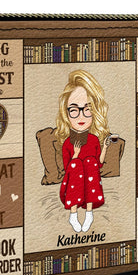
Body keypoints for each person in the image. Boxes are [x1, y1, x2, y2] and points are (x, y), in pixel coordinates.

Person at [56, 70, 111, 232]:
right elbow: (67, 169)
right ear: (66, 114)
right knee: (77, 165)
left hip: (90, 182)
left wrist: (105, 147)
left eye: (87, 109)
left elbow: (99, 164)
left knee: (90, 162)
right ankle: (73, 214)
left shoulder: (93, 140)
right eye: (74, 110)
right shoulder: (67, 143)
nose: (81, 116)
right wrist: (75, 155)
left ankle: (89, 212)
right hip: (73, 182)